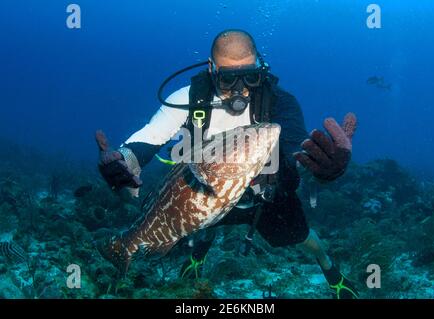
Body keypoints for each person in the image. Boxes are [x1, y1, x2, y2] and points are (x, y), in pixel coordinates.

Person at [97, 29, 359, 299]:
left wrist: (324, 169)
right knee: (202, 225)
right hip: (206, 196)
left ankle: (330, 269)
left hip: (264, 198)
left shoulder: (280, 102)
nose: (239, 88)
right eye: (227, 78)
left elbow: (296, 146)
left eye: (250, 76)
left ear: (261, 66)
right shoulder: (187, 99)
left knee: (303, 238)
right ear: (211, 69)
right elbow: (146, 140)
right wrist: (122, 159)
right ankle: (198, 254)